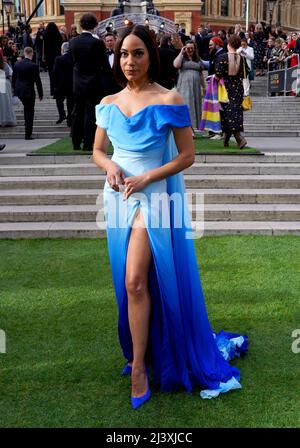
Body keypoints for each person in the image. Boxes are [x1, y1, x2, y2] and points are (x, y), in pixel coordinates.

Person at [93, 25, 248, 410]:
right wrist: (110, 166)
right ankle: (140, 353)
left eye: (138, 53)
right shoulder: (109, 102)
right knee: (131, 281)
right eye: (125, 54)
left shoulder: (170, 98)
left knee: (134, 282)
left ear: (151, 56)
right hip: (117, 198)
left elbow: (186, 156)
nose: (130, 61)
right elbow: (97, 149)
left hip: (155, 197)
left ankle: (141, 367)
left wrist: (146, 176)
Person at [69, 13, 112, 151]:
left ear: (81, 25)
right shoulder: (98, 43)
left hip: (78, 83)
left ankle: (75, 142)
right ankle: (88, 143)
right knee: (90, 113)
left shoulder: (73, 42)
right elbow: (104, 65)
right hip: (93, 83)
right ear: (95, 25)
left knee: (76, 112)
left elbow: (72, 62)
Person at [215, 35, 248, 149]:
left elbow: (218, 74)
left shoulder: (222, 57)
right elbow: (245, 74)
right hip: (238, 87)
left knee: (227, 112)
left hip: (226, 88)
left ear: (228, 44)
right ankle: (227, 138)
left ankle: (239, 138)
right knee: (235, 112)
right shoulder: (242, 58)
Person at [173, 40, 205, 135]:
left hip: (195, 87)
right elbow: (176, 65)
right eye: (188, 48)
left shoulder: (198, 59)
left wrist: (204, 87)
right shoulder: (182, 58)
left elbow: (201, 74)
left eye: (192, 48)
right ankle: (188, 129)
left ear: (194, 49)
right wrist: (181, 52)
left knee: (194, 106)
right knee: (187, 106)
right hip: (184, 86)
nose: (190, 50)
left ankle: (192, 128)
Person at [12, 47, 43, 140]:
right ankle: (28, 134)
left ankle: (28, 132)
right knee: (30, 111)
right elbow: (38, 81)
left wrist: (15, 89)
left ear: (24, 53)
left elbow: (14, 78)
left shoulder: (17, 64)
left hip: (19, 90)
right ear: (32, 54)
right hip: (29, 90)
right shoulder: (33, 66)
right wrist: (40, 93)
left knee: (27, 110)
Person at [52, 42, 74, 126]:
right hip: (71, 85)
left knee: (59, 101)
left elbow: (54, 73)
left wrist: (54, 85)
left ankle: (62, 114)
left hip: (60, 85)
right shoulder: (73, 58)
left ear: (62, 50)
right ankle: (69, 119)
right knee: (70, 103)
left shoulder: (58, 59)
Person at [43, 22, 63, 96]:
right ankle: (58, 90)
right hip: (57, 57)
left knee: (51, 74)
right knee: (58, 74)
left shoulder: (45, 35)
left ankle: (52, 91)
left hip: (49, 57)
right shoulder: (58, 35)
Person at [0, 53, 17, 126]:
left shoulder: (5, 64)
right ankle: (6, 118)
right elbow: (11, 75)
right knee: (5, 102)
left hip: (3, 82)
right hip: (5, 83)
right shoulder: (5, 65)